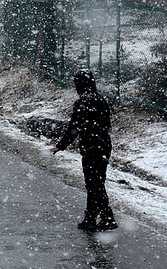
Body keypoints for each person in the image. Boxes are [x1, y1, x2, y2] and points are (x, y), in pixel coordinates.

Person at [49, 69, 118, 232]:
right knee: (97, 182)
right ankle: (91, 218)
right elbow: (106, 125)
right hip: (104, 146)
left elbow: (74, 127)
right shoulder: (102, 99)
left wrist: (60, 145)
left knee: (94, 184)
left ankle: (107, 218)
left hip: (91, 147)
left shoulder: (82, 102)